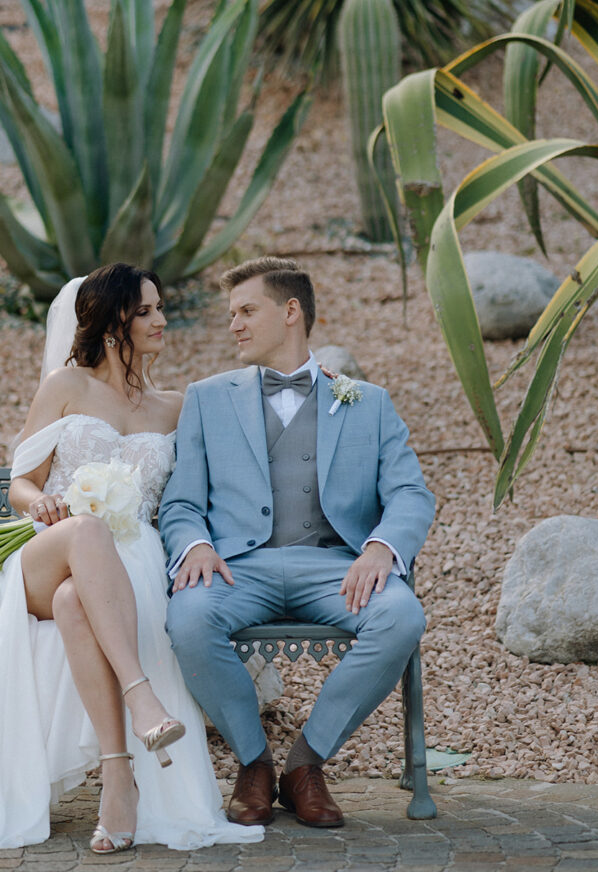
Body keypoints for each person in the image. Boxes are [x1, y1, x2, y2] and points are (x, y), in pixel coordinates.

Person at [0, 264, 263, 856]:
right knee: (86, 533)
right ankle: (143, 697)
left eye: (160, 307)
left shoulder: (176, 406)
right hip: (49, 549)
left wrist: (319, 374)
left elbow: (249, 404)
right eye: (145, 310)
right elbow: (20, 482)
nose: (161, 320)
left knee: (77, 602)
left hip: (129, 560)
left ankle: (119, 777)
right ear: (113, 319)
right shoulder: (65, 387)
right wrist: (39, 499)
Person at [159, 256, 435, 829]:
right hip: (239, 567)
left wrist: (381, 547)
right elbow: (180, 502)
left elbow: (411, 494)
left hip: (335, 567)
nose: (233, 324)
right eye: (230, 313)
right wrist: (196, 546)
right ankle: (254, 762)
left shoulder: (369, 402)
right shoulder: (206, 399)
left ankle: (306, 763)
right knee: (188, 619)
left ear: (290, 312)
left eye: (246, 311)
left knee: (401, 616)